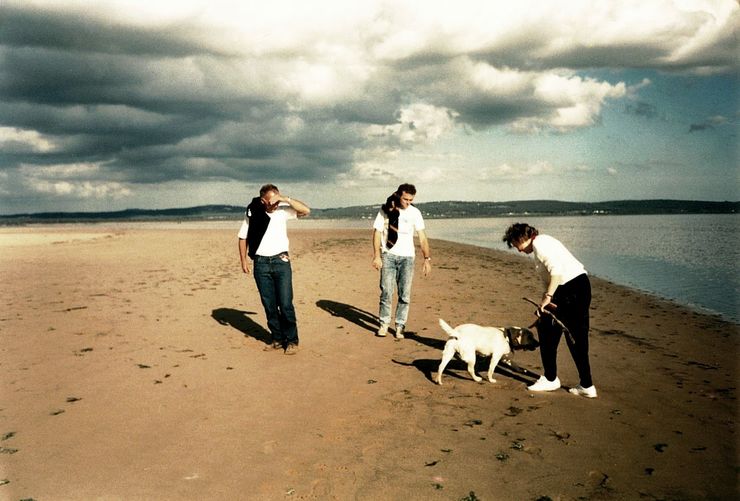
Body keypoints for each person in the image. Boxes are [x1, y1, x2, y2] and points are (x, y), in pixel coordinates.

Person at [502, 223, 597, 398]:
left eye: (516, 246)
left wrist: (548, 297)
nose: (518, 250)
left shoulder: (540, 244)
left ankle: (551, 379)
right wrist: (544, 303)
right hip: (577, 287)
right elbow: (551, 279)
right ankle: (586, 384)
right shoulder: (544, 243)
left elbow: (557, 273)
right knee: (574, 337)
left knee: (550, 332)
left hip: (570, 289)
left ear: (521, 238)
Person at [238, 184, 310, 355]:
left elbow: (306, 210)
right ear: (263, 200)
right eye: (272, 200)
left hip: (281, 261)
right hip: (261, 263)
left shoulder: (283, 210)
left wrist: (285, 199)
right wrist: (243, 262)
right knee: (269, 305)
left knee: (285, 304)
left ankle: (292, 340)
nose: (275, 204)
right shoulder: (253, 212)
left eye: (278, 199)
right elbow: (242, 237)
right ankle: (277, 338)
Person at [372, 183, 431, 339]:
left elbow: (422, 237)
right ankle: (384, 324)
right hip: (388, 255)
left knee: (404, 294)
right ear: (399, 195)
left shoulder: (415, 213)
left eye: (411, 200)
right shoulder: (385, 210)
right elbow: (377, 233)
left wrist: (427, 259)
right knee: (386, 292)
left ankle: (399, 326)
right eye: (406, 199)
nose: (408, 203)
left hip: (407, 258)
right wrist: (377, 256)